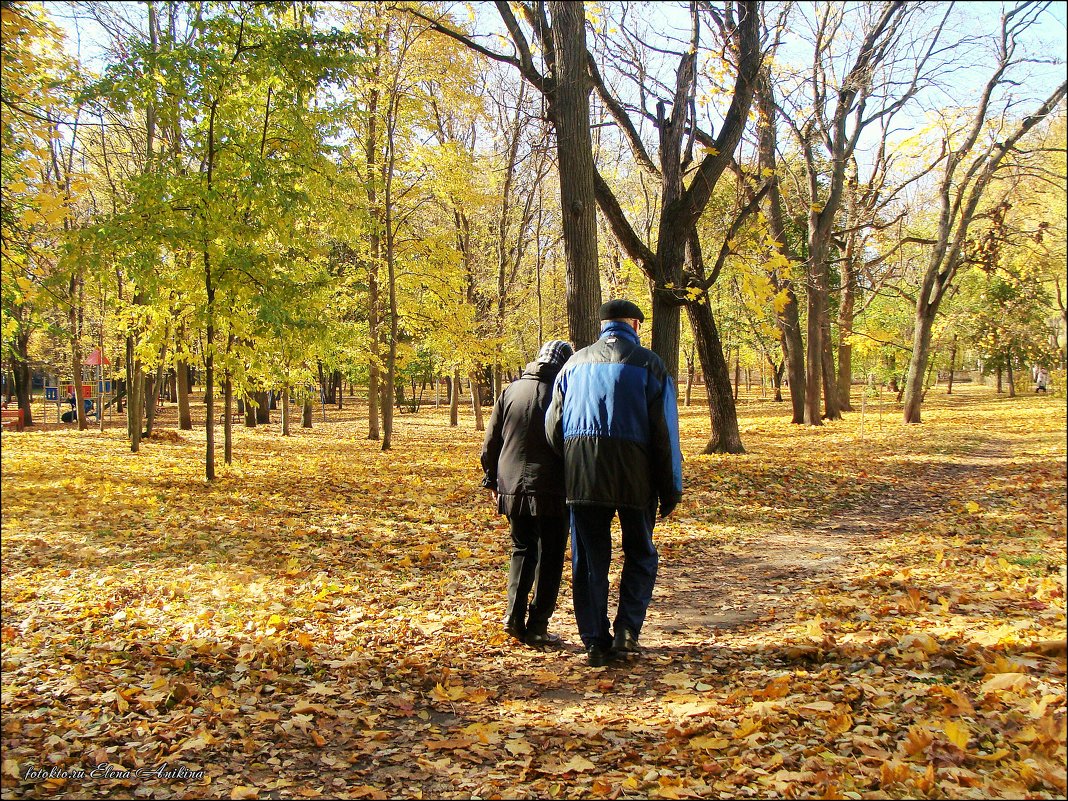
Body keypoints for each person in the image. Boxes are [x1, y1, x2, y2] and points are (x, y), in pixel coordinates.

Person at [545, 299, 683, 667]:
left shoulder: (573, 365)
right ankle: (627, 630)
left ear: (603, 325)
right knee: (640, 553)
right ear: (635, 325)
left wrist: (573, 463)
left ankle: (593, 640)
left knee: (590, 559)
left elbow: (552, 427)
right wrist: (671, 487)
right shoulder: (649, 365)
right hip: (637, 479)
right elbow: (664, 432)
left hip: (584, 478)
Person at [481, 339, 575, 646]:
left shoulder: (510, 390)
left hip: (512, 485)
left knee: (522, 548)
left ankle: (512, 615)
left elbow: (491, 441)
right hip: (553, 487)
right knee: (550, 555)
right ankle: (537, 625)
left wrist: (491, 480)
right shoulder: (565, 392)